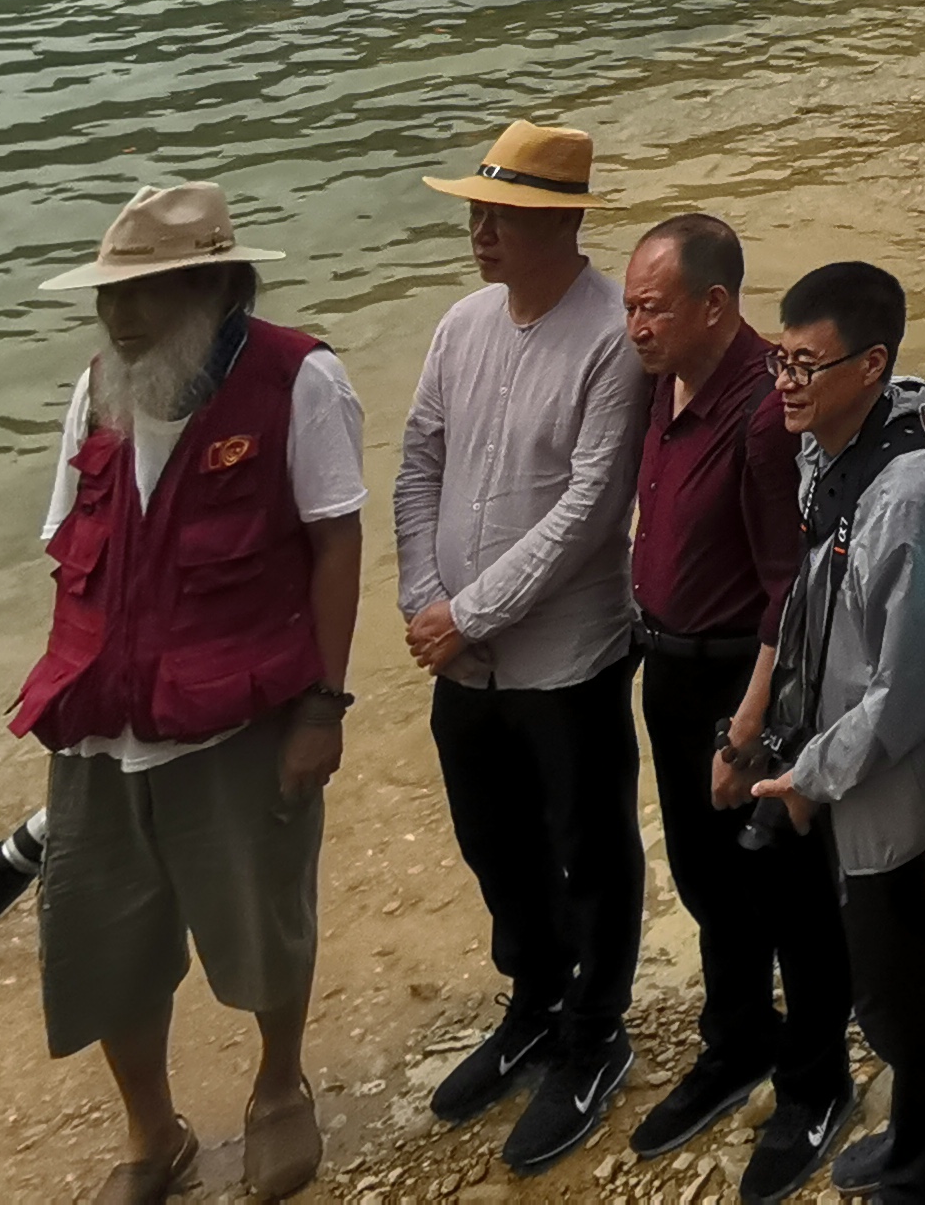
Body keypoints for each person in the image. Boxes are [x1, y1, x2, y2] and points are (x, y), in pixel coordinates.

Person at [10, 183, 364, 1205]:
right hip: (97, 723)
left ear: (212, 285)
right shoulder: (97, 387)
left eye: (144, 295)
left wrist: (324, 710)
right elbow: (65, 537)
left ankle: (278, 1084)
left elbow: (336, 541)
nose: (119, 317)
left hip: (240, 718)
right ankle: (150, 1128)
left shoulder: (302, 380)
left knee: (262, 919)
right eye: (109, 296)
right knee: (100, 935)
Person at [397, 120, 650, 1176]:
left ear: (556, 223)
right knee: (492, 838)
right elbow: (417, 461)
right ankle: (534, 998)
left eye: (498, 217)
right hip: (462, 657)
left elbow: (592, 507)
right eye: (475, 213)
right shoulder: (462, 326)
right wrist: (424, 597)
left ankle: (595, 1033)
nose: (479, 233)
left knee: (591, 848)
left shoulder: (610, 340)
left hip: (567, 657)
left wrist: (473, 610)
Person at [719, 267, 925, 1204]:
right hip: (846, 748)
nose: (785, 383)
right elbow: (816, 607)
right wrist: (768, 728)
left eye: (806, 365)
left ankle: (921, 1166)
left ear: (873, 365)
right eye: (780, 361)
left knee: (892, 984)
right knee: (922, 951)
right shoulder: (830, 447)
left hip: (890, 773)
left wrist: (810, 777)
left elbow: (906, 689)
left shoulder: (906, 493)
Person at [621, 216, 857, 1195]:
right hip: (668, 670)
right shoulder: (657, 382)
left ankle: (817, 1082)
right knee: (708, 881)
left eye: (651, 307)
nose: (632, 325)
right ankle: (737, 1043)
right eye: (627, 305)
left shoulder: (767, 411)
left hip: (746, 680)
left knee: (789, 892)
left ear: (716, 306)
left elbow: (787, 583)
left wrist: (749, 727)